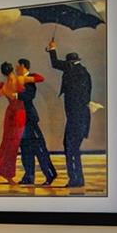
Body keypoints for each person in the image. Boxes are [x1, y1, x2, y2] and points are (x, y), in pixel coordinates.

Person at [47, 40, 93, 188]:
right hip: (81, 117)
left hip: (75, 117)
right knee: (73, 148)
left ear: (71, 63)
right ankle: (78, 179)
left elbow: (55, 64)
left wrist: (52, 49)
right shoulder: (84, 73)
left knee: (70, 147)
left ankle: (75, 179)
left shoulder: (73, 70)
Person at [14, 57, 55, 186]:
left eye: (17, 66)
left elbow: (30, 95)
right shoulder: (19, 79)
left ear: (23, 66)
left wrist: (16, 95)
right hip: (21, 119)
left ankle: (49, 174)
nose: (16, 68)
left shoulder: (30, 79)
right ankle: (29, 176)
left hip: (29, 119)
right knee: (25, 149)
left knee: (38, 148)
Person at [0, 61, 26, 186]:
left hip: (10, 114)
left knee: (6, 145)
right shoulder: (19, 80)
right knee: (12, 147)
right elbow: (37, 80)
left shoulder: (4, 86)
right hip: (19, 114)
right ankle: (6, 175)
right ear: (12, 69)